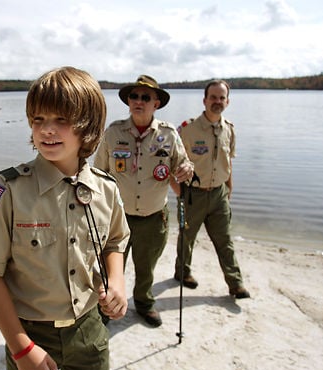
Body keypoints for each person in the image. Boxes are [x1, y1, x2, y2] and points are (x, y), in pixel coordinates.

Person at [0, 66, 130, 370]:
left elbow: (115, 241)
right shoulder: (9, 190)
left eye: (61, 120)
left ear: (88, 128)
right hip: (31, 333)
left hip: (89, 329)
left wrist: (117, 283)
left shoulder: (105, 189)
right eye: (38, 120)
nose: (47, 130)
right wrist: (22, 351)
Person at [94, 75, 194, 328]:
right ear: (128, 101)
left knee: (147, 266)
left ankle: (144, 303)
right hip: (118, 218)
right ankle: (104, 310)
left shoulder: (169, 135)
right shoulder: (113, 132)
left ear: (156, 103)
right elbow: (99, 174)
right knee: (111, 269)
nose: (138, 101)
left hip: (153, 216)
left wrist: (186, 170)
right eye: (134, 96)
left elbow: (183, 165)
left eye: (145, 97)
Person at [172, 79, 251, 299]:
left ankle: (236, 284)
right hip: (192, 194)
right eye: (213, 97)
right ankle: (182, 272)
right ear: (204, 100)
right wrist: (178, 191)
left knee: (224, 239)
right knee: (187, 238)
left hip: (219, 194)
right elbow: (170, 162)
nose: (217, 101)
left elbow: (229, 161)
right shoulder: (187, 129)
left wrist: (229, 188)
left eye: (221, 98)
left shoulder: (229, 130)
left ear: (227, 101)